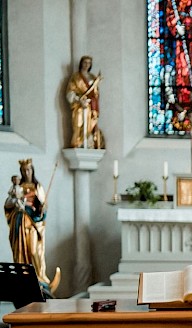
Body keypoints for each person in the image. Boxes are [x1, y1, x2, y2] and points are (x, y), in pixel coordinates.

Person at [5, 159, 59, 295]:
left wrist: (41, 209)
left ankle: (39, 279)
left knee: (34, 252)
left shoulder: (37, 186)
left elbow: (43, 207)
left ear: (32, 170)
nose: (26, 172)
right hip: (19, 224)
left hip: (33, 225)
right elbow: (8, 205)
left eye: (28, 170)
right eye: (24, 170)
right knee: (20, 253)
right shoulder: (18, 187)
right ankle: (22, 280)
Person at [65, 55, 104, 149]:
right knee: (78, 124)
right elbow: (70, 92)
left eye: (89, 63)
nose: (87, 65)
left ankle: (88, 142)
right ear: (81, 63)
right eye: (85, 62)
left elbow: (96, 94)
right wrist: (79, 100)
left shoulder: (93, 78)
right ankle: (78, 142)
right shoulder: (76, 77)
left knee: (89, 126)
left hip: (90, 106)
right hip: (79, 106)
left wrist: (92, 99)